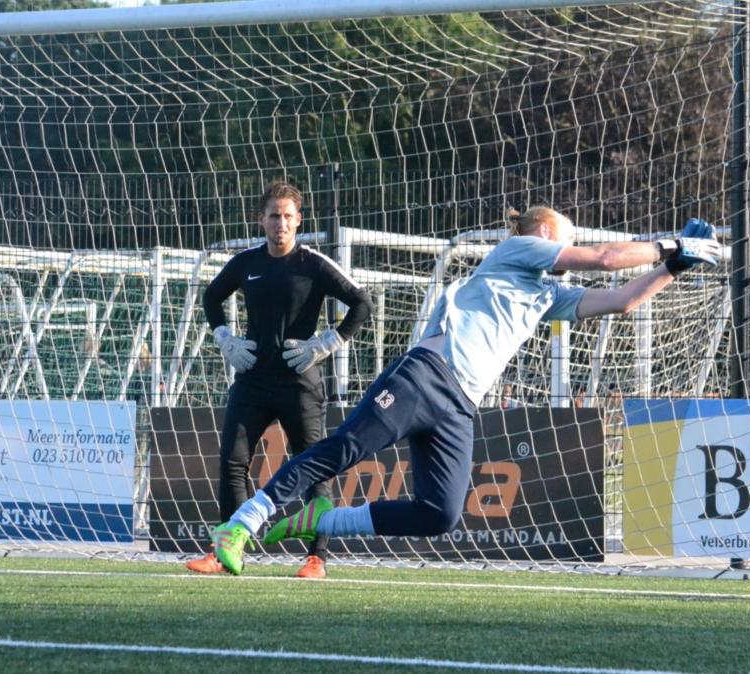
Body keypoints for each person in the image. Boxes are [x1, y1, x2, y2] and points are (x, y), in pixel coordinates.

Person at [209, 206, 720, 575]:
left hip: (460, 404)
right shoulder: (518, 250)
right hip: (428, 373)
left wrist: (672, 268)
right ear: (544, 232)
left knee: (440, 513)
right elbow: (606, 259)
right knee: (344, 448)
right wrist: (670, 244)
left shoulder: (548, 294)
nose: (571, 247)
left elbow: (623, 300)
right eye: (566, 238)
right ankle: (242, 524)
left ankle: (323, 519)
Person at [186, 181, 372, 579]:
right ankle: (225, 553)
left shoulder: (314, 263)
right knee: (233, 462)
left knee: (314, 467)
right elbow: (211, 297)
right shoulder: (247, 263)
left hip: (300, 384)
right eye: (274, 215)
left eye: (288, 216)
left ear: (299, 221)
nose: (281, 224)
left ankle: (316, 557)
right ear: (261, 220)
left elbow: (362, 303)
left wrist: (326, 342)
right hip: (252, 380)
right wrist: (225, 338)